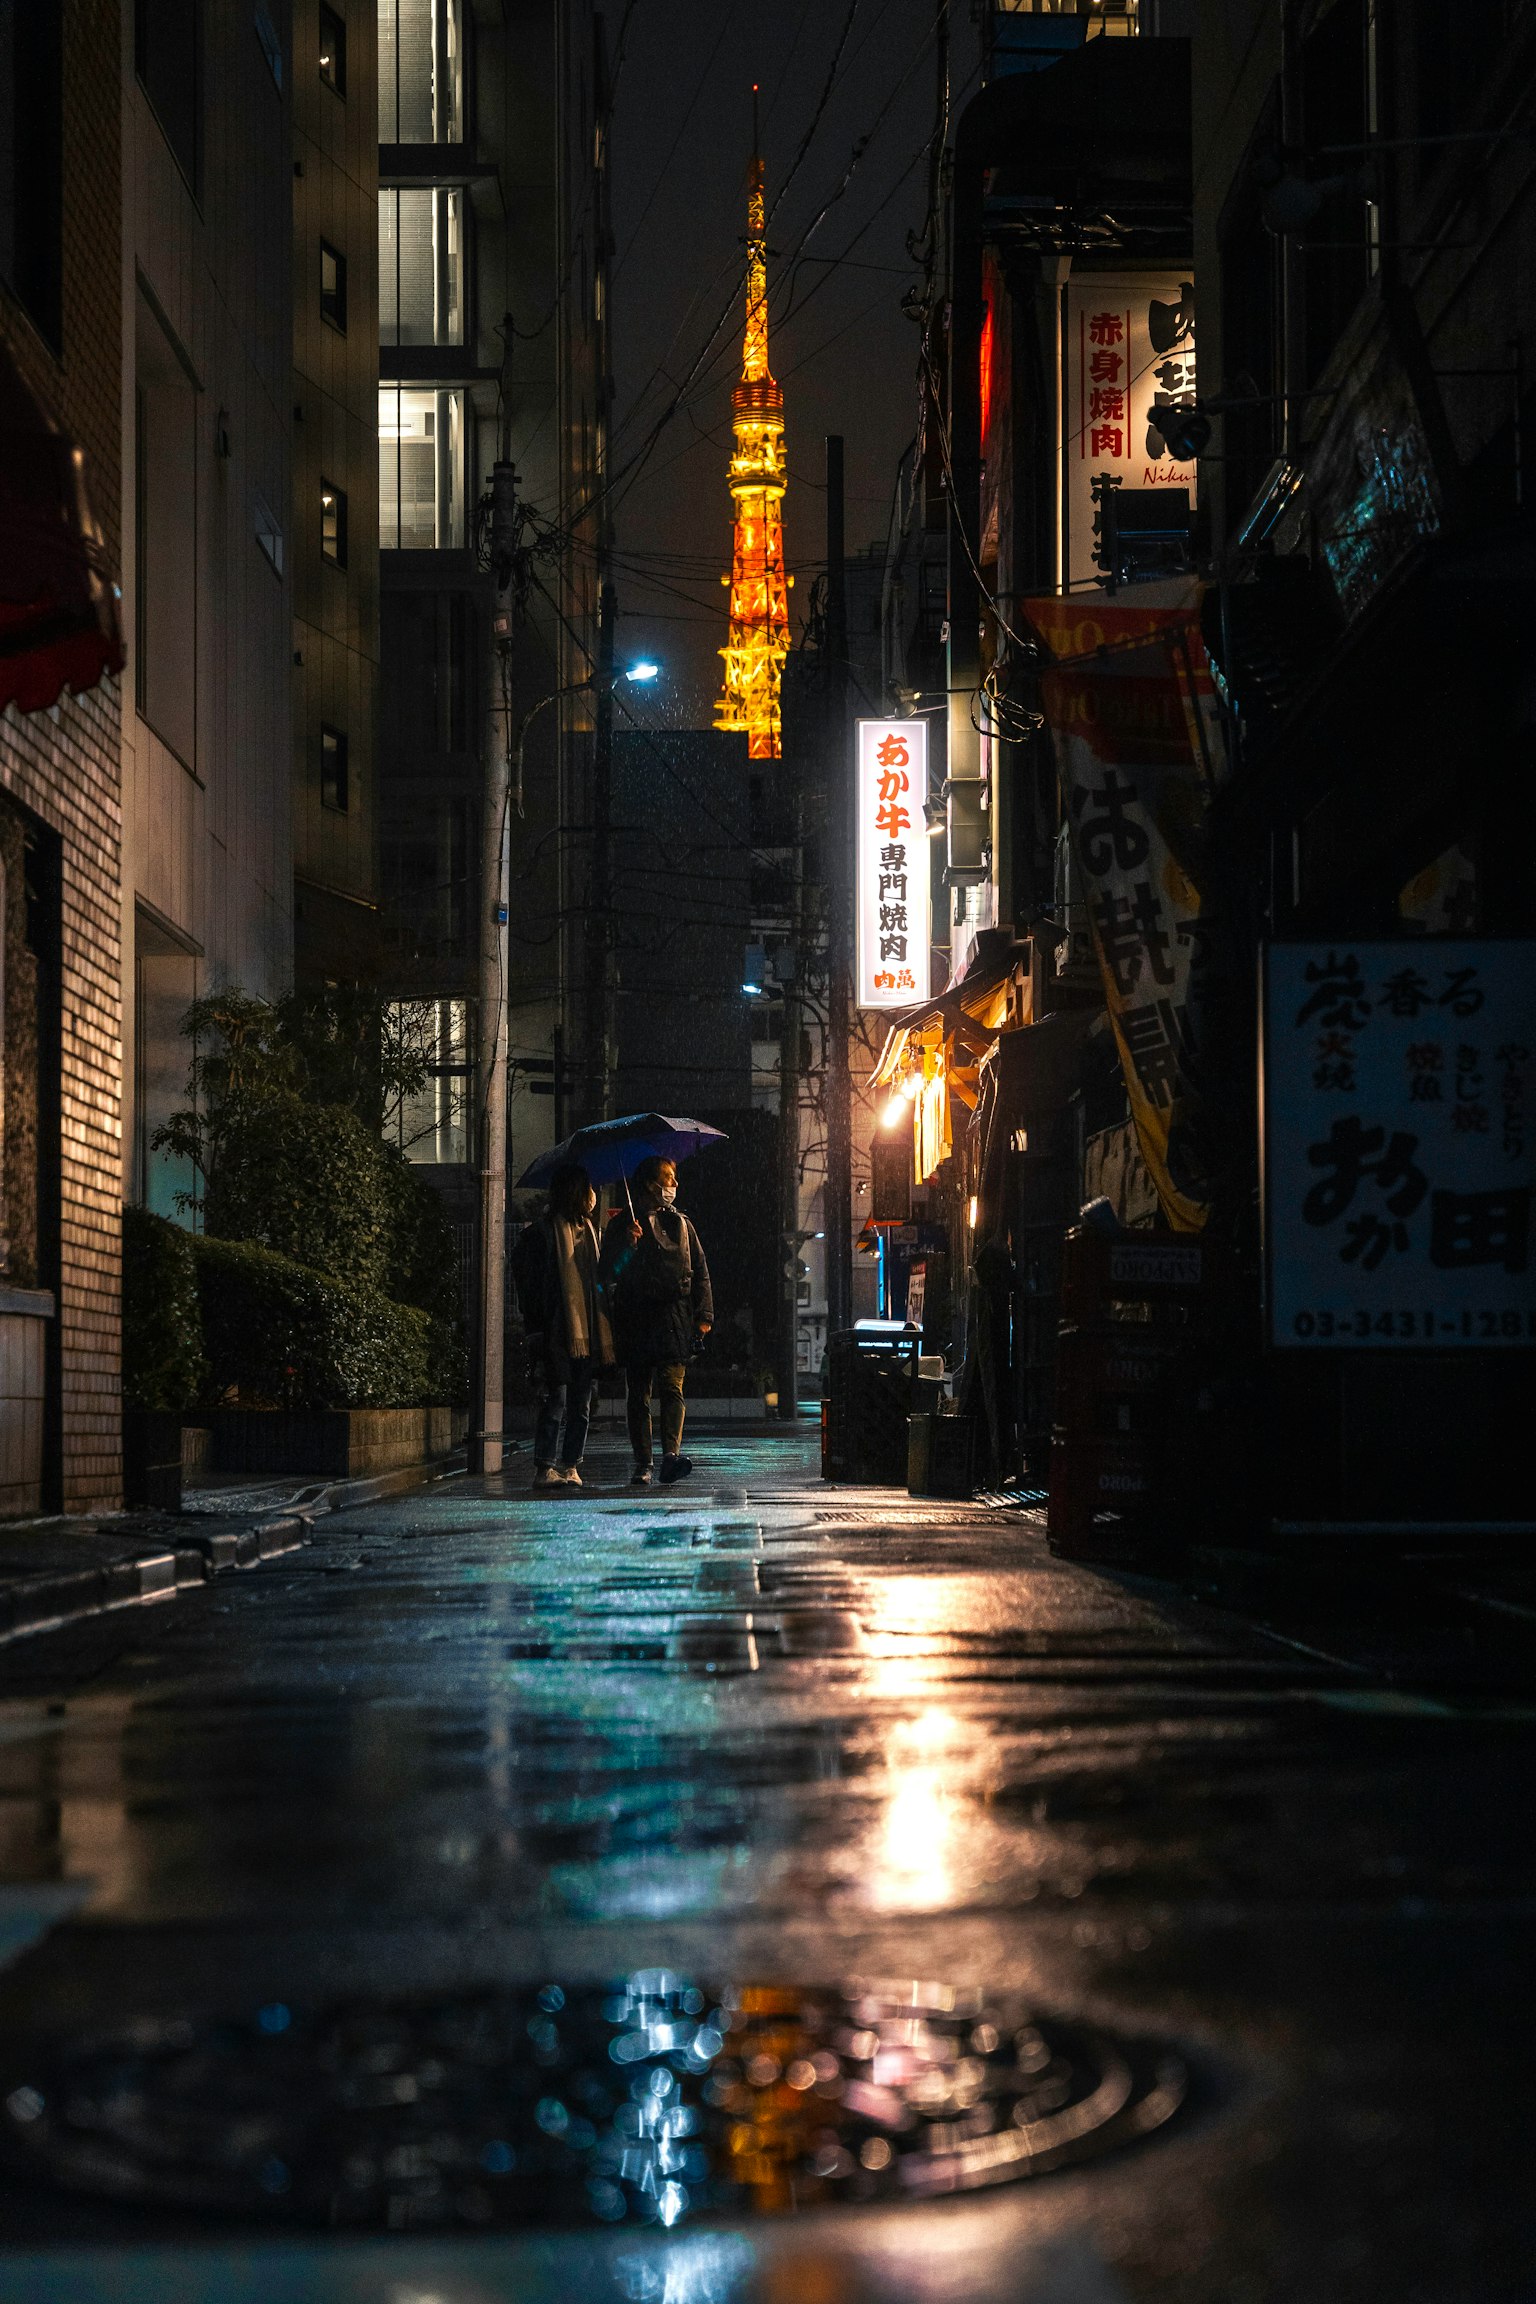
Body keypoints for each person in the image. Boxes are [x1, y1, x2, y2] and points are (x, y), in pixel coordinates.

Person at [599, 1155, 713, 1486]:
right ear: (652, 1185)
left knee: (672, 1386)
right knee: (639, 1392)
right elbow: (607, 1275)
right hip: (636, 1315)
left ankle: (670, 1456)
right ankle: (643, 1461)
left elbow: (700, 1270)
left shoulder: (681, 1224)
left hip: (674, 1315)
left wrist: (704, 1315)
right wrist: (627, 1246)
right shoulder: (622, 1225)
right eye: (668, 1178)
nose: (674, 1185)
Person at [510, 1163, 612, 1489]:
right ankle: (545, 1467)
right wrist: (535, 1327)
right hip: (556, 1328)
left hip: (587, 1329)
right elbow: (529, 1284)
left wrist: (627, 1246)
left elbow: (607, 1277)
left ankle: (571, 1465)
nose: (593, 1196)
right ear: (578, 1193)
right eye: (589, 1190)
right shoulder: (541, 1234)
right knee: (556, 1399)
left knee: (581, 1401)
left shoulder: (591, 1233)